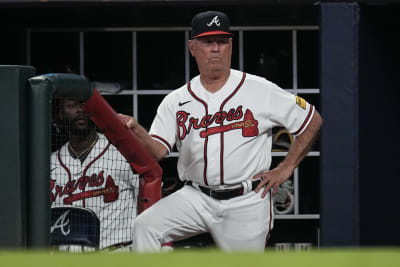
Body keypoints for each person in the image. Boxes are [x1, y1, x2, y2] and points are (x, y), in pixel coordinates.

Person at [120, 10, 323, 252]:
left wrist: (285, 168)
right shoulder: (176, 100)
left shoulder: (259, 89)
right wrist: (135, 129)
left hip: (246, 200)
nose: (215, 48)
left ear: (230, 46)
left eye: (221, 41)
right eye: (207, 42)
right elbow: (157, 151)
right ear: (192, 47)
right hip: (196, 197)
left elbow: (312, 120)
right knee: (145, 226)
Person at [50, 96, 139, 251]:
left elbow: (151, 200)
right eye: (72, 105)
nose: (81, 110)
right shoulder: (50, 164)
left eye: (85, 105)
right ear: (60, 115)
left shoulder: (122, 152)